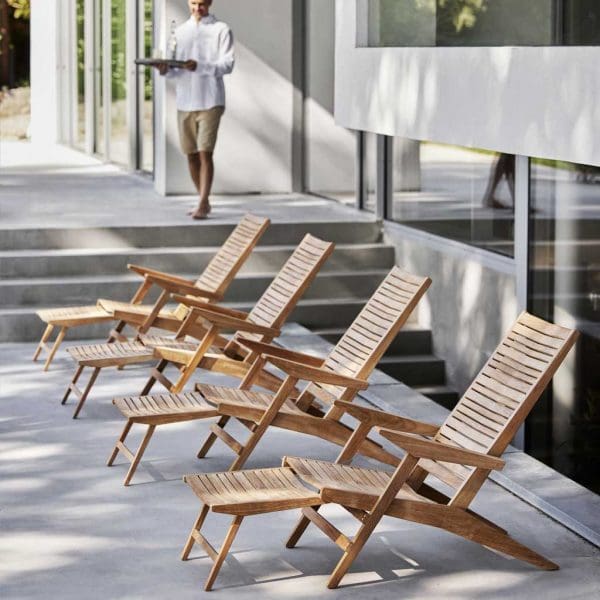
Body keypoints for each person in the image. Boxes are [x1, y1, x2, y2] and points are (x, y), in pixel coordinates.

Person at [155, 0, 234, 219]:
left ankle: (202, 202)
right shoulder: (180, 32)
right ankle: (203, 200)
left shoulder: (221, 30)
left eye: (202, 4)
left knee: (205, 152)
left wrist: (200, 66)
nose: (197, 9)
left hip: (210, 100)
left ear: (210, 3)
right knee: (191, 155)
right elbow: (176, 71)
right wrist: (164, 70)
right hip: (185, 101)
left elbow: (227, 65)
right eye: (193, 3)